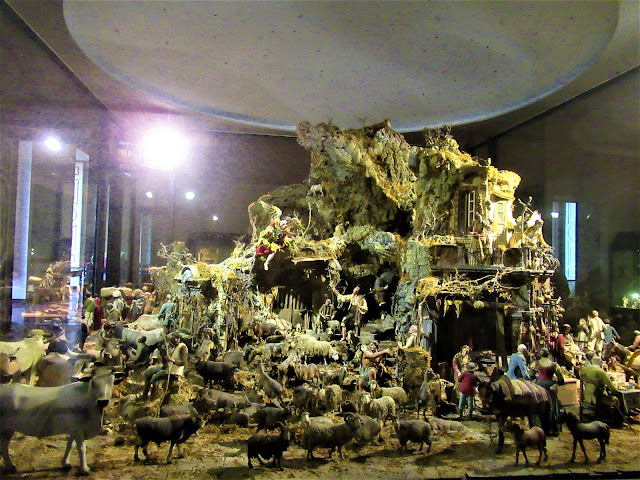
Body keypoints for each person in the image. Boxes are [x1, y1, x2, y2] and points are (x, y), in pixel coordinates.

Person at [141, 333, 188, 399]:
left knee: (154, 379)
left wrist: (172, 360)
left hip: (173, 372)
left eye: (177, 338)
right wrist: (164, 355)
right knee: (149, 372)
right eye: (174, 339)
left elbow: (184, 362)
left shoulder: (182, 347)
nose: (176, 340)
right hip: (167, 368)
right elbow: (165, 361)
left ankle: (153, 396)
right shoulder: (174, 347)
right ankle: (145, 395)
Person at [534, 348, 564, 435]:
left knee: (539, 405)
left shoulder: (537, 363)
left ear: (540, 354)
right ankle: (552, 429)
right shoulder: (554, 365)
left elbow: (531, 375)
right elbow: (561, 379)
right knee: (552, 406)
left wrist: (537, 377)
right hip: (550, 386)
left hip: (539, 386)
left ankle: (539, 428)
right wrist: (556, 383)